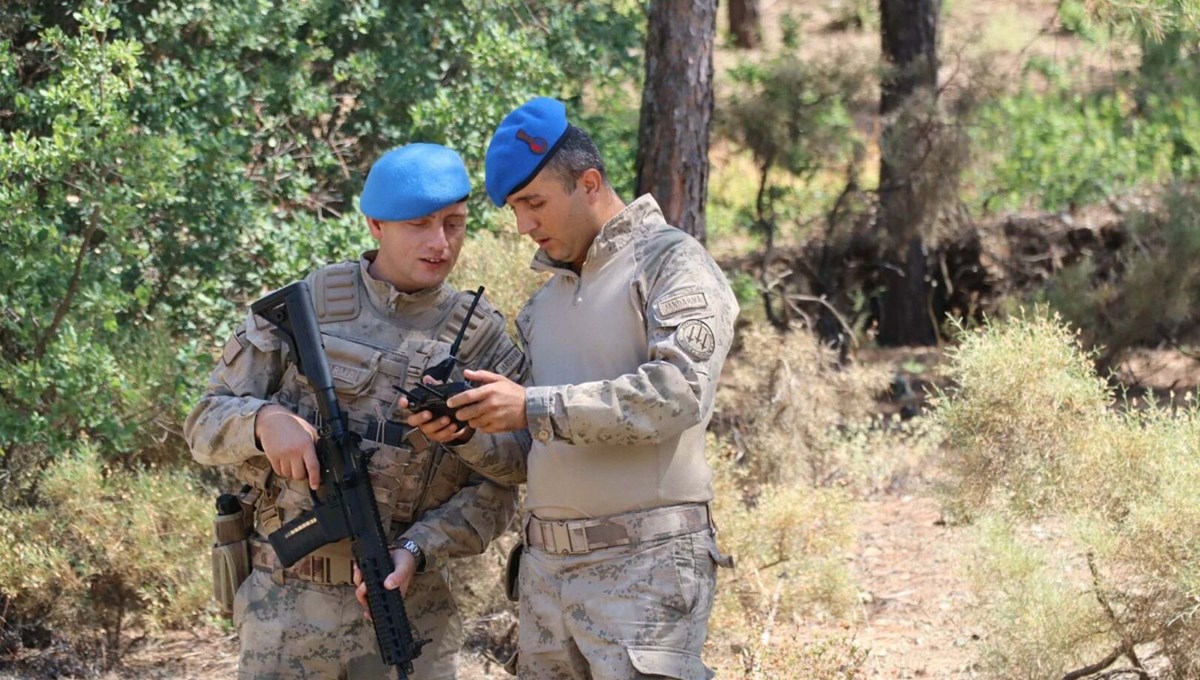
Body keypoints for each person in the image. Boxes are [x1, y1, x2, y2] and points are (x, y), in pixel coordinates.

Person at [405, 97, 739, 679]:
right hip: (545, 580)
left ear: (589, 183)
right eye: (515, 208)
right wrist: (468, 432)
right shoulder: (543, 306)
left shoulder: (670, 264)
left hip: (647, 572)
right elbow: (531, 455)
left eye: (535, 203)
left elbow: (678, 393)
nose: (524, 225)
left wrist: (529, 404)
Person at [184, 142, 527, 680]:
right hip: (286, 606)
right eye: (419, 224)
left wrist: (417, 546)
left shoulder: (480, 338)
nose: (441, 243)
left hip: (411, 611)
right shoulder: (310, 305)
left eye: (454, 223)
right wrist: (263, 423)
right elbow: (204, 423)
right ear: (376, 225)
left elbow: (506, 478)